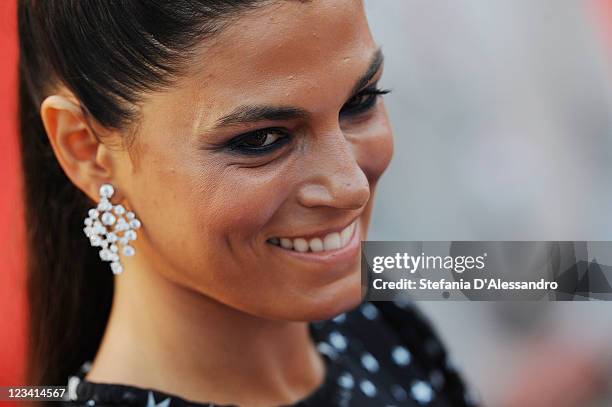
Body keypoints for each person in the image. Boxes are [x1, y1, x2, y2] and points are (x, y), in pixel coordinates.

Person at [18, 1, 478, 406]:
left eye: (361, 100)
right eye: (260, 139)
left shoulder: (376, 310)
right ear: (85, 150)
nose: (350, 187)